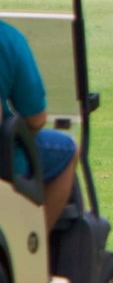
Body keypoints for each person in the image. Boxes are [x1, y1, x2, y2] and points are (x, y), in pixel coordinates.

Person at [1, 18, 77, 233]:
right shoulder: (7, 38)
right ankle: (35, 239)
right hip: (4, 159)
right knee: (67, 150)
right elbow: (36, 119)